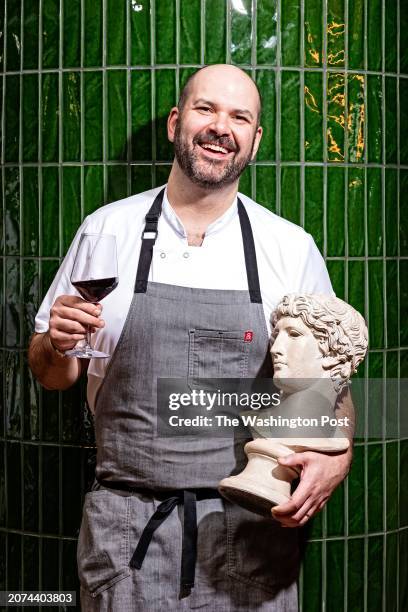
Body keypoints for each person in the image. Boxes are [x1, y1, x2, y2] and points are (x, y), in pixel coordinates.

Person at [29, 65, 353, 611]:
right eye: (206, 109)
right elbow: (52, 374)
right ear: (177, 123)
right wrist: (55, 344)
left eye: (239, 116)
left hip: (252, 537)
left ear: (254, 139)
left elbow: (325, 386)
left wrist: (337, 457)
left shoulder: (289, 248)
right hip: (128, 538)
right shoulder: (108, 230)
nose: (219, 127)